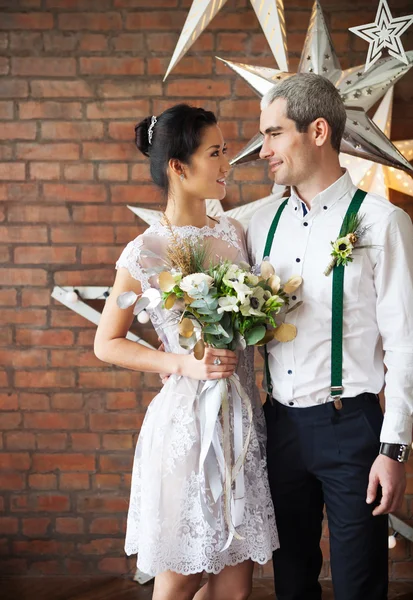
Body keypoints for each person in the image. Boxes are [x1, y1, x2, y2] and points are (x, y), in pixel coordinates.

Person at [94, 104, 278, 600]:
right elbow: (105, 343)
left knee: (235, 588)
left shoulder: (234, 235)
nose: (227, 164)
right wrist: (179, 362)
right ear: (178, 166)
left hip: (241, 420)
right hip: (187, 427)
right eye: (216, 153)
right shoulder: (145, 251)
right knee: (180, 578)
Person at [248, 72, 413, 600]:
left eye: (274, 134)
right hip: (279, 428)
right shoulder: (258, 222)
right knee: (291, 584)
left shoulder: (382, 223)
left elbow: (407, 344)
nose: (262, 150)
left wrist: (396, 449)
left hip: (354, 432)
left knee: (359, 584)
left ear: (317, 131)